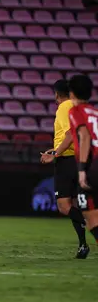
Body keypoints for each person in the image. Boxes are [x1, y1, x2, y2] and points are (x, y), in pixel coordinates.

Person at [40, 79, 89, 258]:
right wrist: (56, 150)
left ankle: (92, 224)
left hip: (67, 160)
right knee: (76, 204)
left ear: (56, 94)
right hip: (81, 158)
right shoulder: (77, 106)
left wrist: (55, 154)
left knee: (64, 206)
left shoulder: (64, 106)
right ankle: (82, 245)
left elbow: (69, 133)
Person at [66, 74, 98, 246]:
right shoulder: (95, 112)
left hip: (92, 164)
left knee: (90, 215)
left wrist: (82, 170)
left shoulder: (76, 111)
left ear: (71, 93)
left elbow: (84, 136)